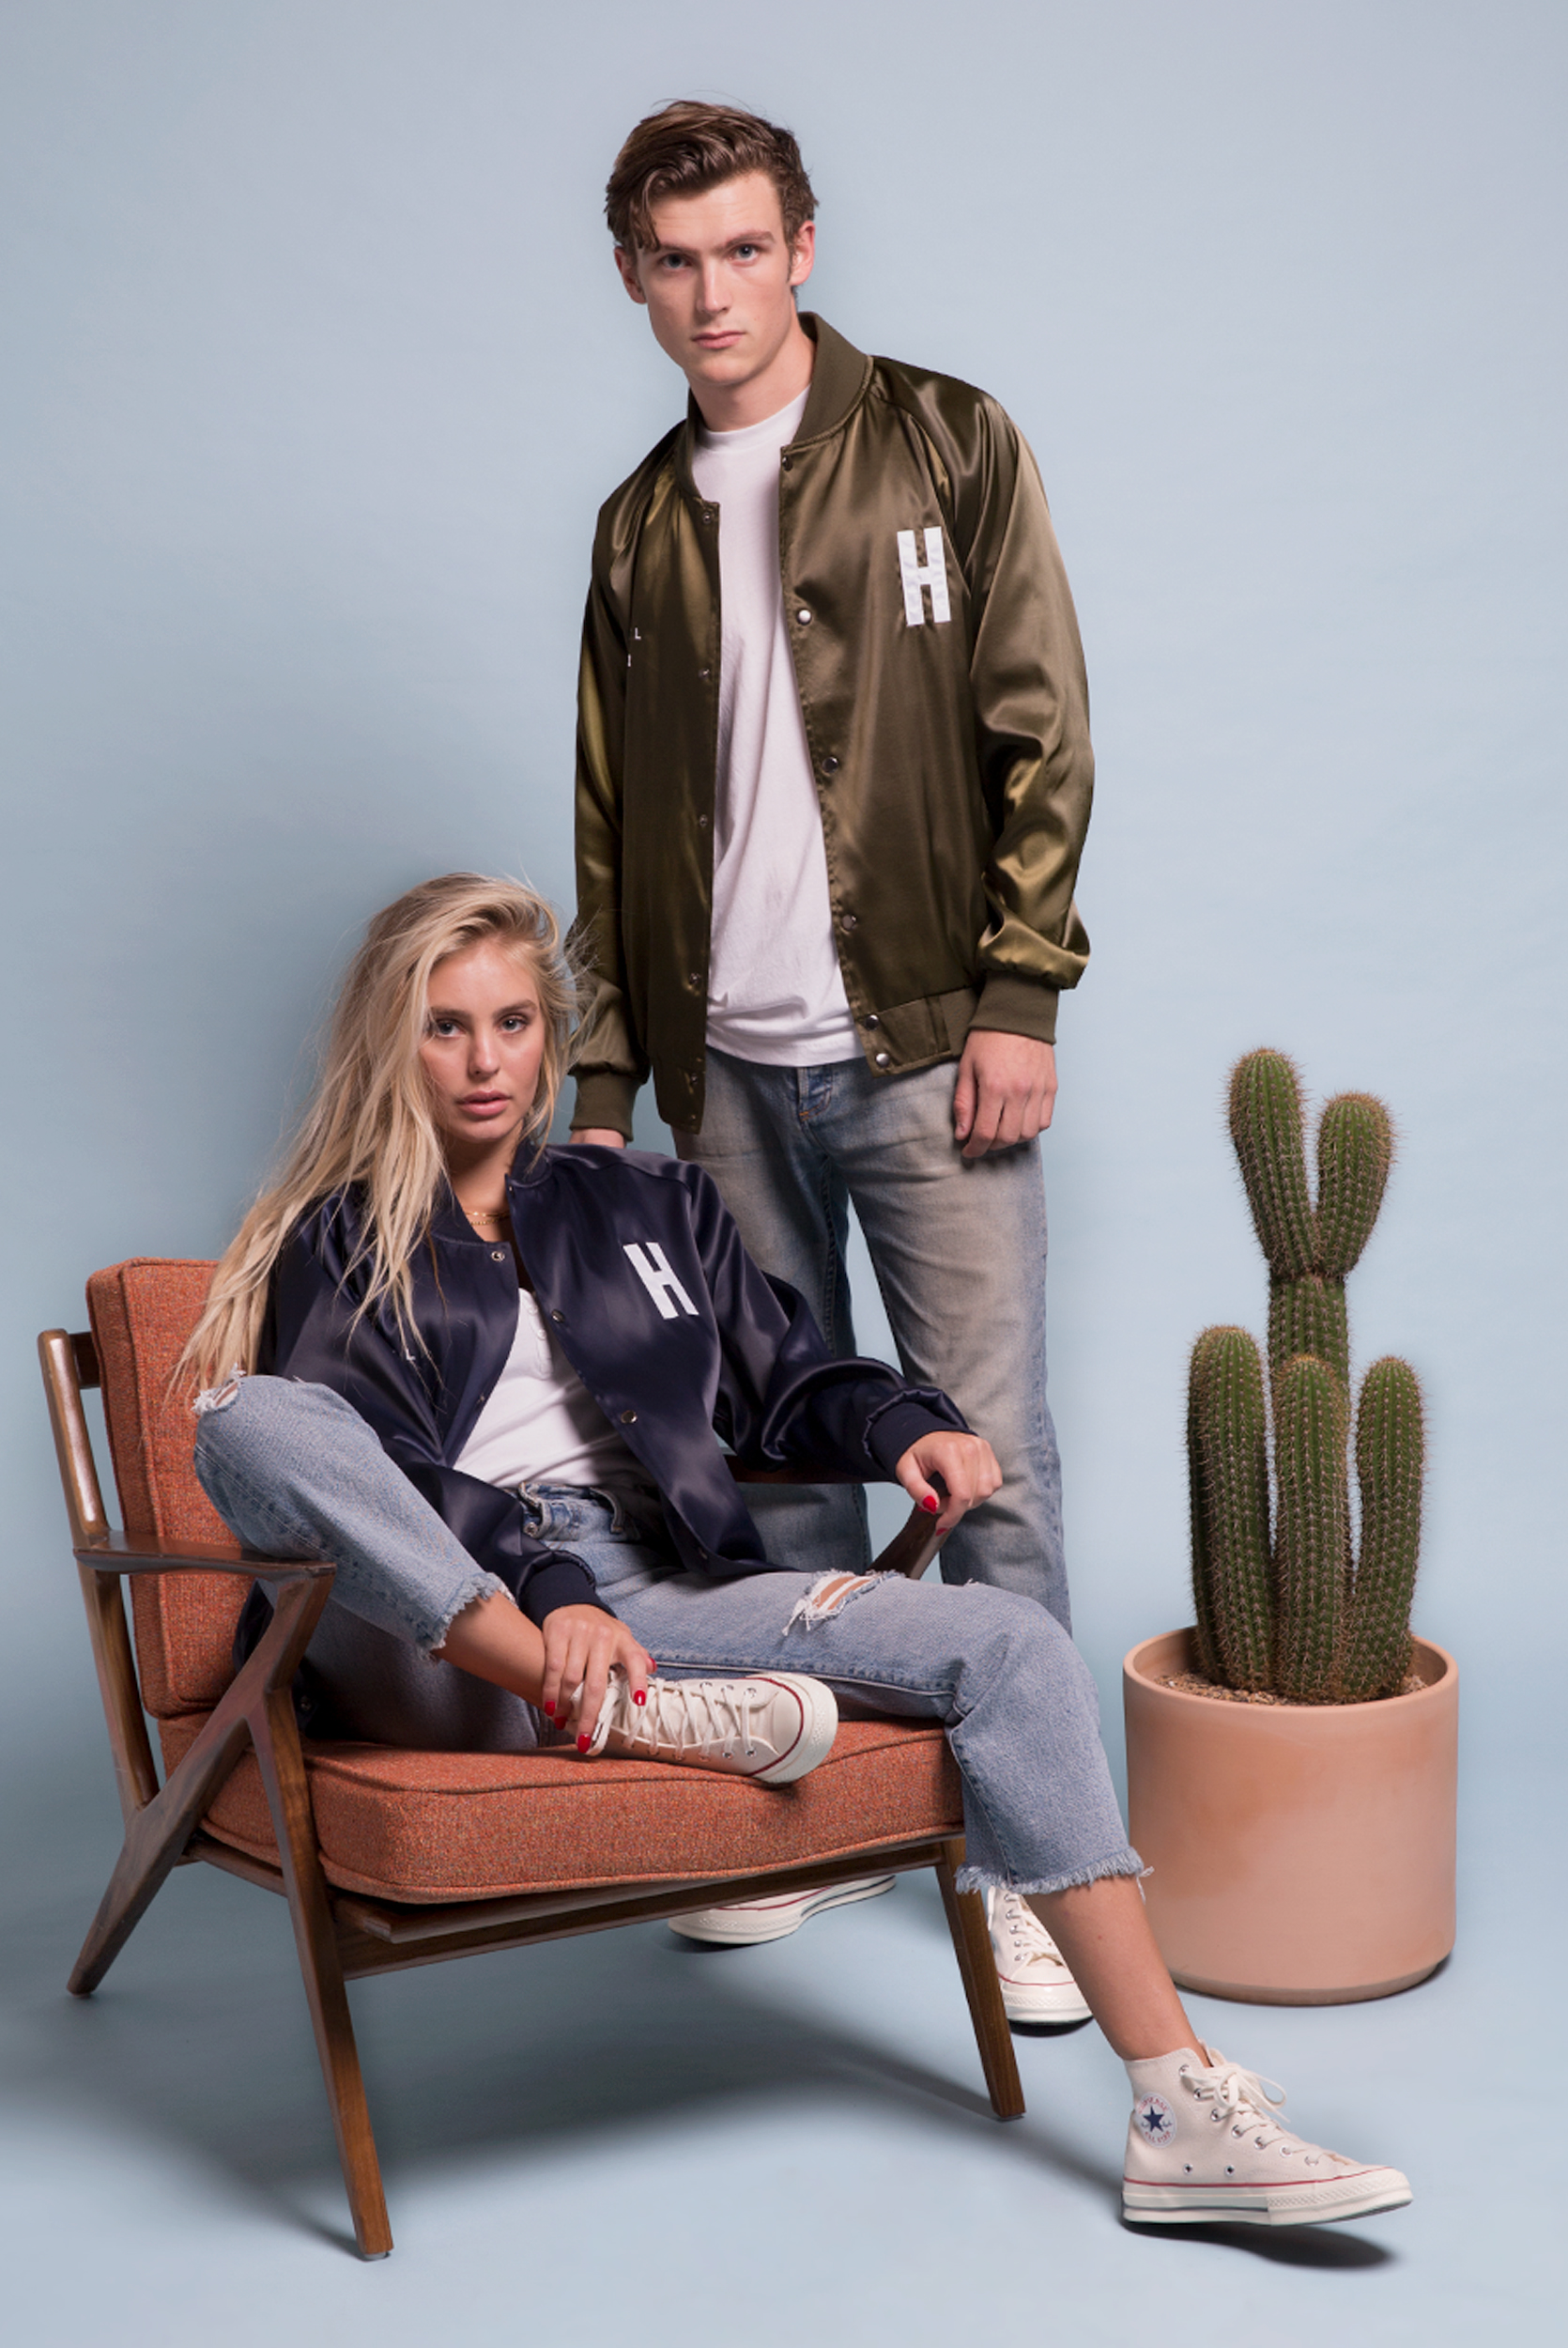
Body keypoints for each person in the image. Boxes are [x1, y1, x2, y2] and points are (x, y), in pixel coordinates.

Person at [183, 873, 1410, 2232]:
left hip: (658, 1600)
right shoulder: (341, 1238)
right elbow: (392, 1477)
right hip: (441, 1637)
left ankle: (1177, 2108)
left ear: (551, 1037)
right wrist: (548, 1593)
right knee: (251, 1418)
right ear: (392, 1045)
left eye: (513, 1023)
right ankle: (599, 1696)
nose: (486, 1062)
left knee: (1009, 1643)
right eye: (445, 1027)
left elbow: (782, 1373)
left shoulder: (643, 1202)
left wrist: (899, 1422)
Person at [570, 99, 1092, 1979]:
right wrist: (607, 1085)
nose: (711, 292)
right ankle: (830, 1822)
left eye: (741, 249)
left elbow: (1039, 725)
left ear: (800, 248)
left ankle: (1033, 1866)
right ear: (632, 279)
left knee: (985, 1455)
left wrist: (1018, 990)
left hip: (926, 1050)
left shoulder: (945, 440)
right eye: (673, 260)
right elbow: (610, 823)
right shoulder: (639, 525)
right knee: (773, 1467)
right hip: (716, 1078)